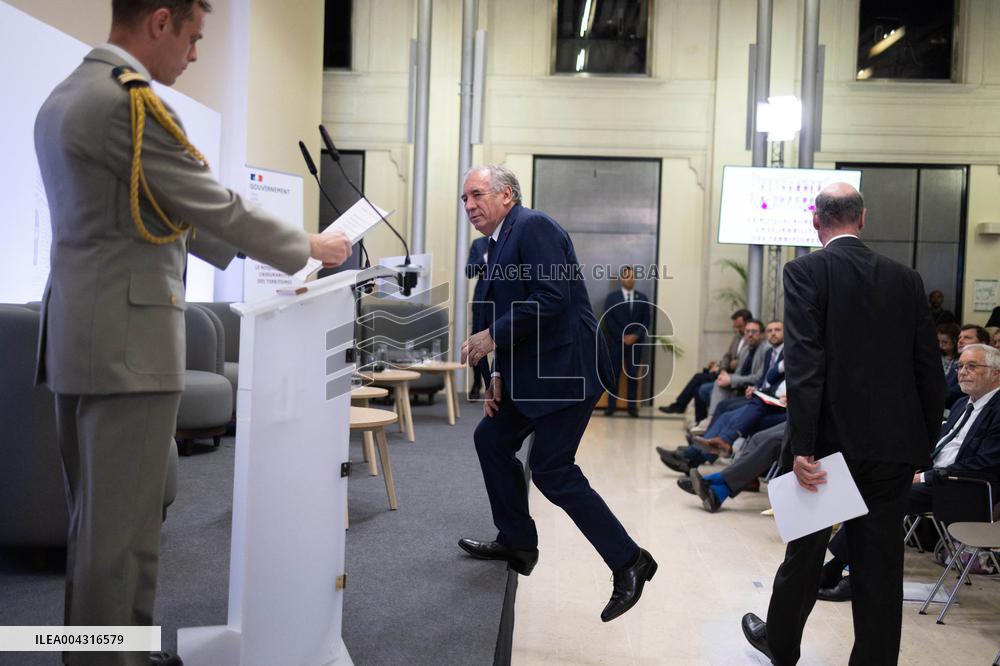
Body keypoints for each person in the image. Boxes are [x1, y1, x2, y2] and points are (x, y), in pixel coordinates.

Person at [34, 2, 353, 664]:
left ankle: (128, 651)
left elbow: (159, 212)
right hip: (129, 348)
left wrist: (244, 246)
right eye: (193, 36)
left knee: (109, 526)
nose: (196, 53)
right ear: (158, 21)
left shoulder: (68, 94)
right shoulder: (129, 103)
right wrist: (310, 246)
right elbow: (212, 203)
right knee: (118, 536)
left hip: (82, 337)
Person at [741, 182, 944, 666]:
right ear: (864, 218)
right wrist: (922, 449)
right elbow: (927, 370)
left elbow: (806, 363)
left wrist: (803, 447)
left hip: (829, 447)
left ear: (816, 221)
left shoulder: (806, 272)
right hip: (893, 449)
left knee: (805, 554)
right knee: (878, 566)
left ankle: (781, 644)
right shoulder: (906, 279)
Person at [457, 164, 655, 622]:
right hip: (529, 376)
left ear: (507, 195)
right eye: (464, 198)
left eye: (477, 194)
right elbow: (497, 309)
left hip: (566, 372)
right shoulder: (494, 243)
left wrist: (493, 338)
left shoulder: (535, 226)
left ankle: (630, 562)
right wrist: (496, 375)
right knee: (490, 439)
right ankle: (518, 541)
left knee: (550, 470)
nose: (469, 205)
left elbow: (553, 297)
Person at [817, 343, 1000, 602]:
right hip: (936, 478)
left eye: (972, 366)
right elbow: (938, 445)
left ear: (996, 373)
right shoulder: (962, 404)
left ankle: (852, 577)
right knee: (873, 484)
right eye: (960, 366)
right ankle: (838, 567)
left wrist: (925, 476)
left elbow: (985, 464)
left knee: (881, 501)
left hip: (967, 489)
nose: (962, 372)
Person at [658, 308, 752, 417]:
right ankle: (697, 419)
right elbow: (728, 356)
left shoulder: (750, 339)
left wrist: (728, 366)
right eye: (735, 326)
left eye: (739, 326)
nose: (736, 330)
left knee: (699, 379)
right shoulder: (737, 337)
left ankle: (680, 406)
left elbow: (742, 362)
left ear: (748, 323)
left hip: (733, 377)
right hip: (725, 372)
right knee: (699, 382)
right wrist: (722, 368)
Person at [601, 265, 651, 417]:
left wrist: (635, 336)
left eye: (632, 276)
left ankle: (631, 407)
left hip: (636, 343)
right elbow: (608, 320)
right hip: (616, 342)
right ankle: (611, 406)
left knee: (633, 375)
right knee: (613, 375)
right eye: (627, 276)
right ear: (622, 278)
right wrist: (622, 336)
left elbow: (646, 320)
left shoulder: (642, 298)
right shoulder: (612, 298)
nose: (630, 279)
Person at [465, 235, 491, 399]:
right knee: (476, 343)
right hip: (481, 300)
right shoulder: (479, 244)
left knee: (504, 344)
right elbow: (469, 271)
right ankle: (478, 382)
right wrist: (485, 260)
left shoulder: (511, 240)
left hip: (504, 302)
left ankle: (499, 385)